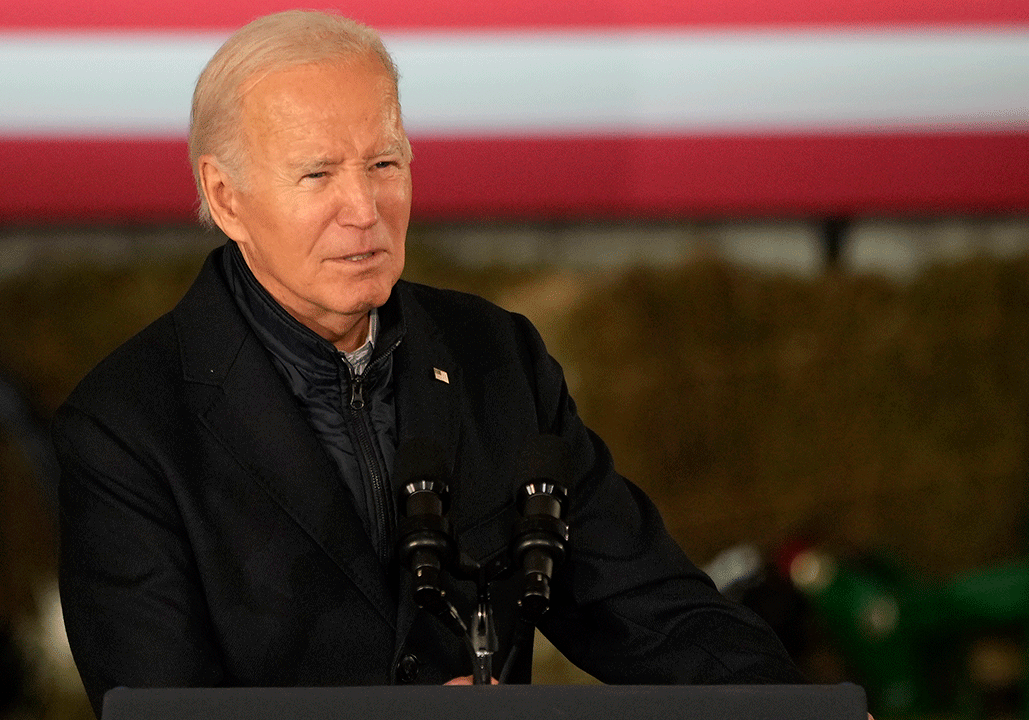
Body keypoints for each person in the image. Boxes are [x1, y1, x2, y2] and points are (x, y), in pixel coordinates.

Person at [54, 9, 805, 718]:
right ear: (226, 197)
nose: (364, 206)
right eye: (318, 174)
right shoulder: (127, 430)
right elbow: (163, 709)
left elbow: (650, 611)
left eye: (385, 161)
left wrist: (799, 710)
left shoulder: (495, 358)